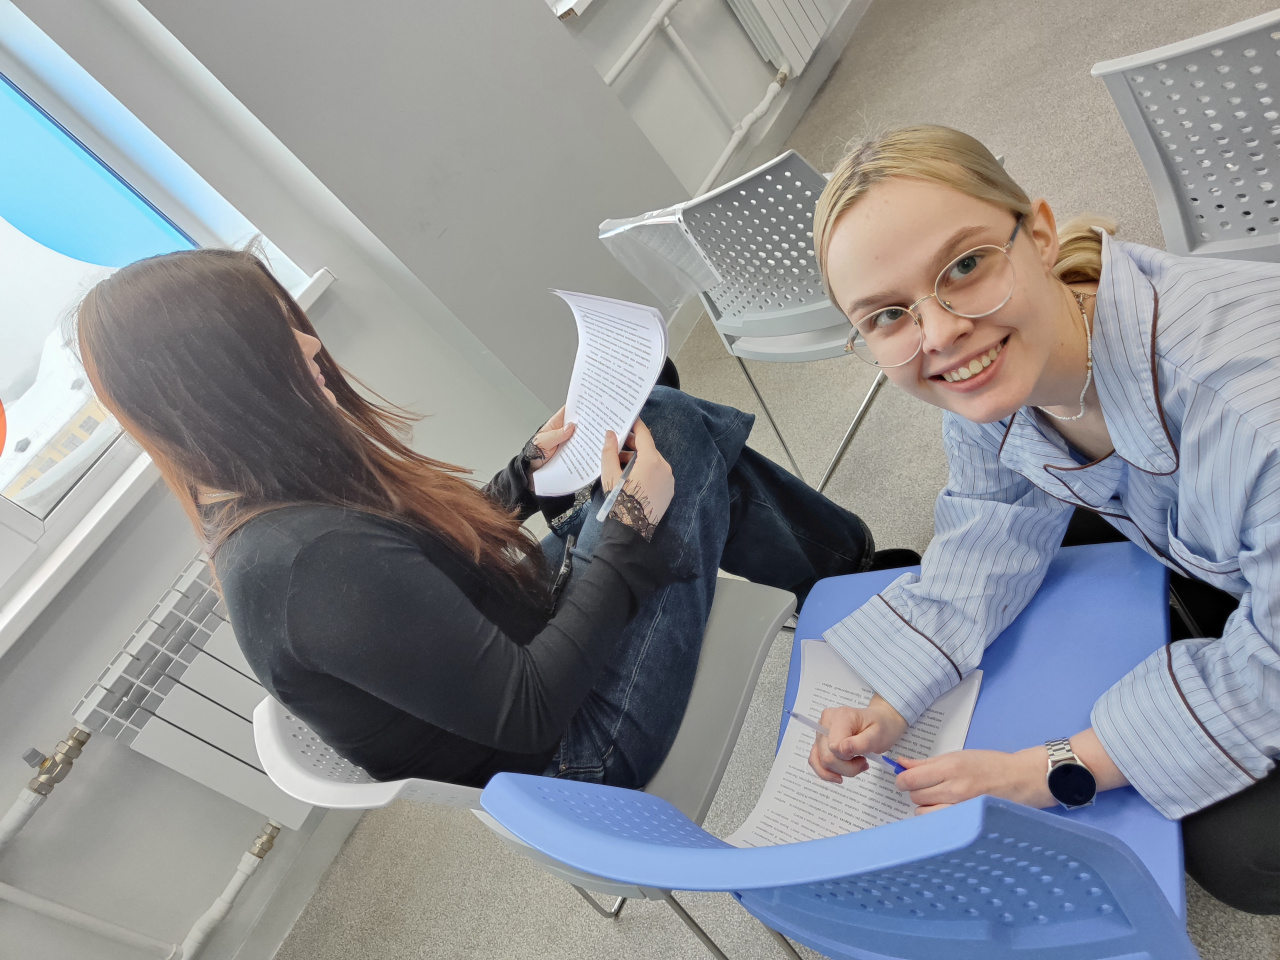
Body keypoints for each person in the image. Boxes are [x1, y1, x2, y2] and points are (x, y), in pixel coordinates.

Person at [74, 248, 887, 792]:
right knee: (670, 429)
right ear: (222, 382)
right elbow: (532, 709)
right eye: (273, 337)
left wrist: (523, 480)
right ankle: (856, 578)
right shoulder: (302, 565)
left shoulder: (277, 499)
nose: (310, 344)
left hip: (533, 643)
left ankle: (850, 577)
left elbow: (419, 580)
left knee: (661, 434)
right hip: (579, 753)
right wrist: (630, 525)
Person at [805, 124, 1280, 914]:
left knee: (1243, 852)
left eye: (965, 266)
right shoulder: (993, 375)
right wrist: (888, 702)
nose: (940, 334)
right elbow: (990, 521)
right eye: (887, 315)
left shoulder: (1249, 409)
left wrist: (1048, 769)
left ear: (1041, 234)